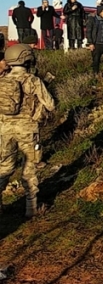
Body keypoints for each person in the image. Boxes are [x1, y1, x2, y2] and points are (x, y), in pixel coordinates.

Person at [0, 44, 55, 217]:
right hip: (28, 130)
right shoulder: (33, 80)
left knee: (4, 168)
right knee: (29, 168)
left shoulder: (2, 80)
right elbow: (50, 105)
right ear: (26, 58)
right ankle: (31, 208)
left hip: (4, 130)